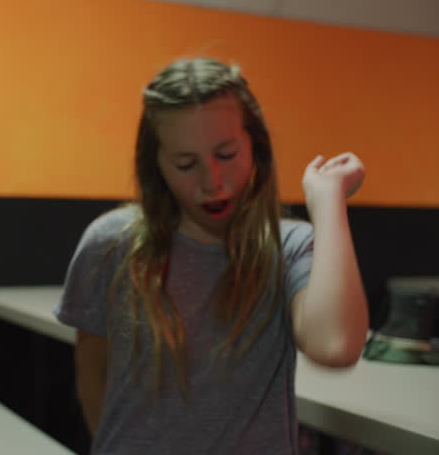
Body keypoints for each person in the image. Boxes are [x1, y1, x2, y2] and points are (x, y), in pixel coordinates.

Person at [56, 58, 368, 454]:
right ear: (156, 165)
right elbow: (92, 375)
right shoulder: (110, 244)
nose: (212, 181)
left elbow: (335, 345)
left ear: (255, 146)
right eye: (186, 164)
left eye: (226, 154)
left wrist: (327, 200)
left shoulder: (288, 247)